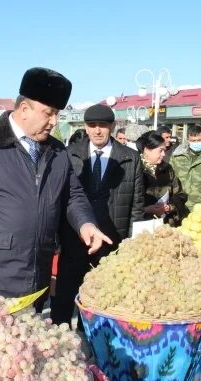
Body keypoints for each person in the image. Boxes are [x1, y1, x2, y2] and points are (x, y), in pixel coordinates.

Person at [0, 67, 111, 305]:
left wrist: (86, 223)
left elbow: (73, 195)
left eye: (57, 114)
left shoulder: (57, 152)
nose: (54, 122)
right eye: (48, 113)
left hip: (37, 276)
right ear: (24, 109)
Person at [50, 104, 144, 328]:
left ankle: (92, 345)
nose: (97, 131)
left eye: (103, 125)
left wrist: (132, 245)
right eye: (92, 125)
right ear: (85, 126)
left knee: (99, 303)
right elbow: (59, 198)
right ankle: (60, 342)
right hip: (73, 240)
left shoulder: (131, 158)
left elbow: (137, 206)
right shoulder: (70, 154)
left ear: (112, 126)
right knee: (63, 298)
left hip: (112, 243)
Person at [136, 130, 188, 226]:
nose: (164, 154)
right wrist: (146, 209)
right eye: (160, 150)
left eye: (164, 150)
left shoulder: (167, 169)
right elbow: (124, 202)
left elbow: (180, 195)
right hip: (141, 225)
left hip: (166, 225)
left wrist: (169, 207)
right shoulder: (134, 169)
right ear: (146, 150)